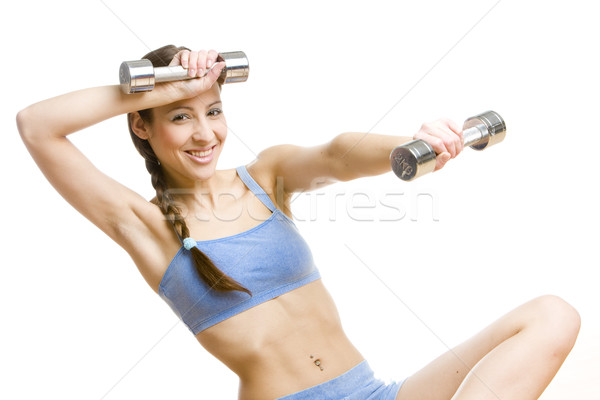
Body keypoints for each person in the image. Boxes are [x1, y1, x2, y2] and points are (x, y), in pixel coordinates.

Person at [17, 45, 580, 400]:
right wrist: (170, 83)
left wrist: (416, 143)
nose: (205, 133)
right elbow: (37, 125)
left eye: (213, 110)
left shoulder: (267, 174)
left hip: (373, 393)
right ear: (140, 126)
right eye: (180, 117)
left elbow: (336, 155)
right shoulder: (142, 225)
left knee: (551, 316)